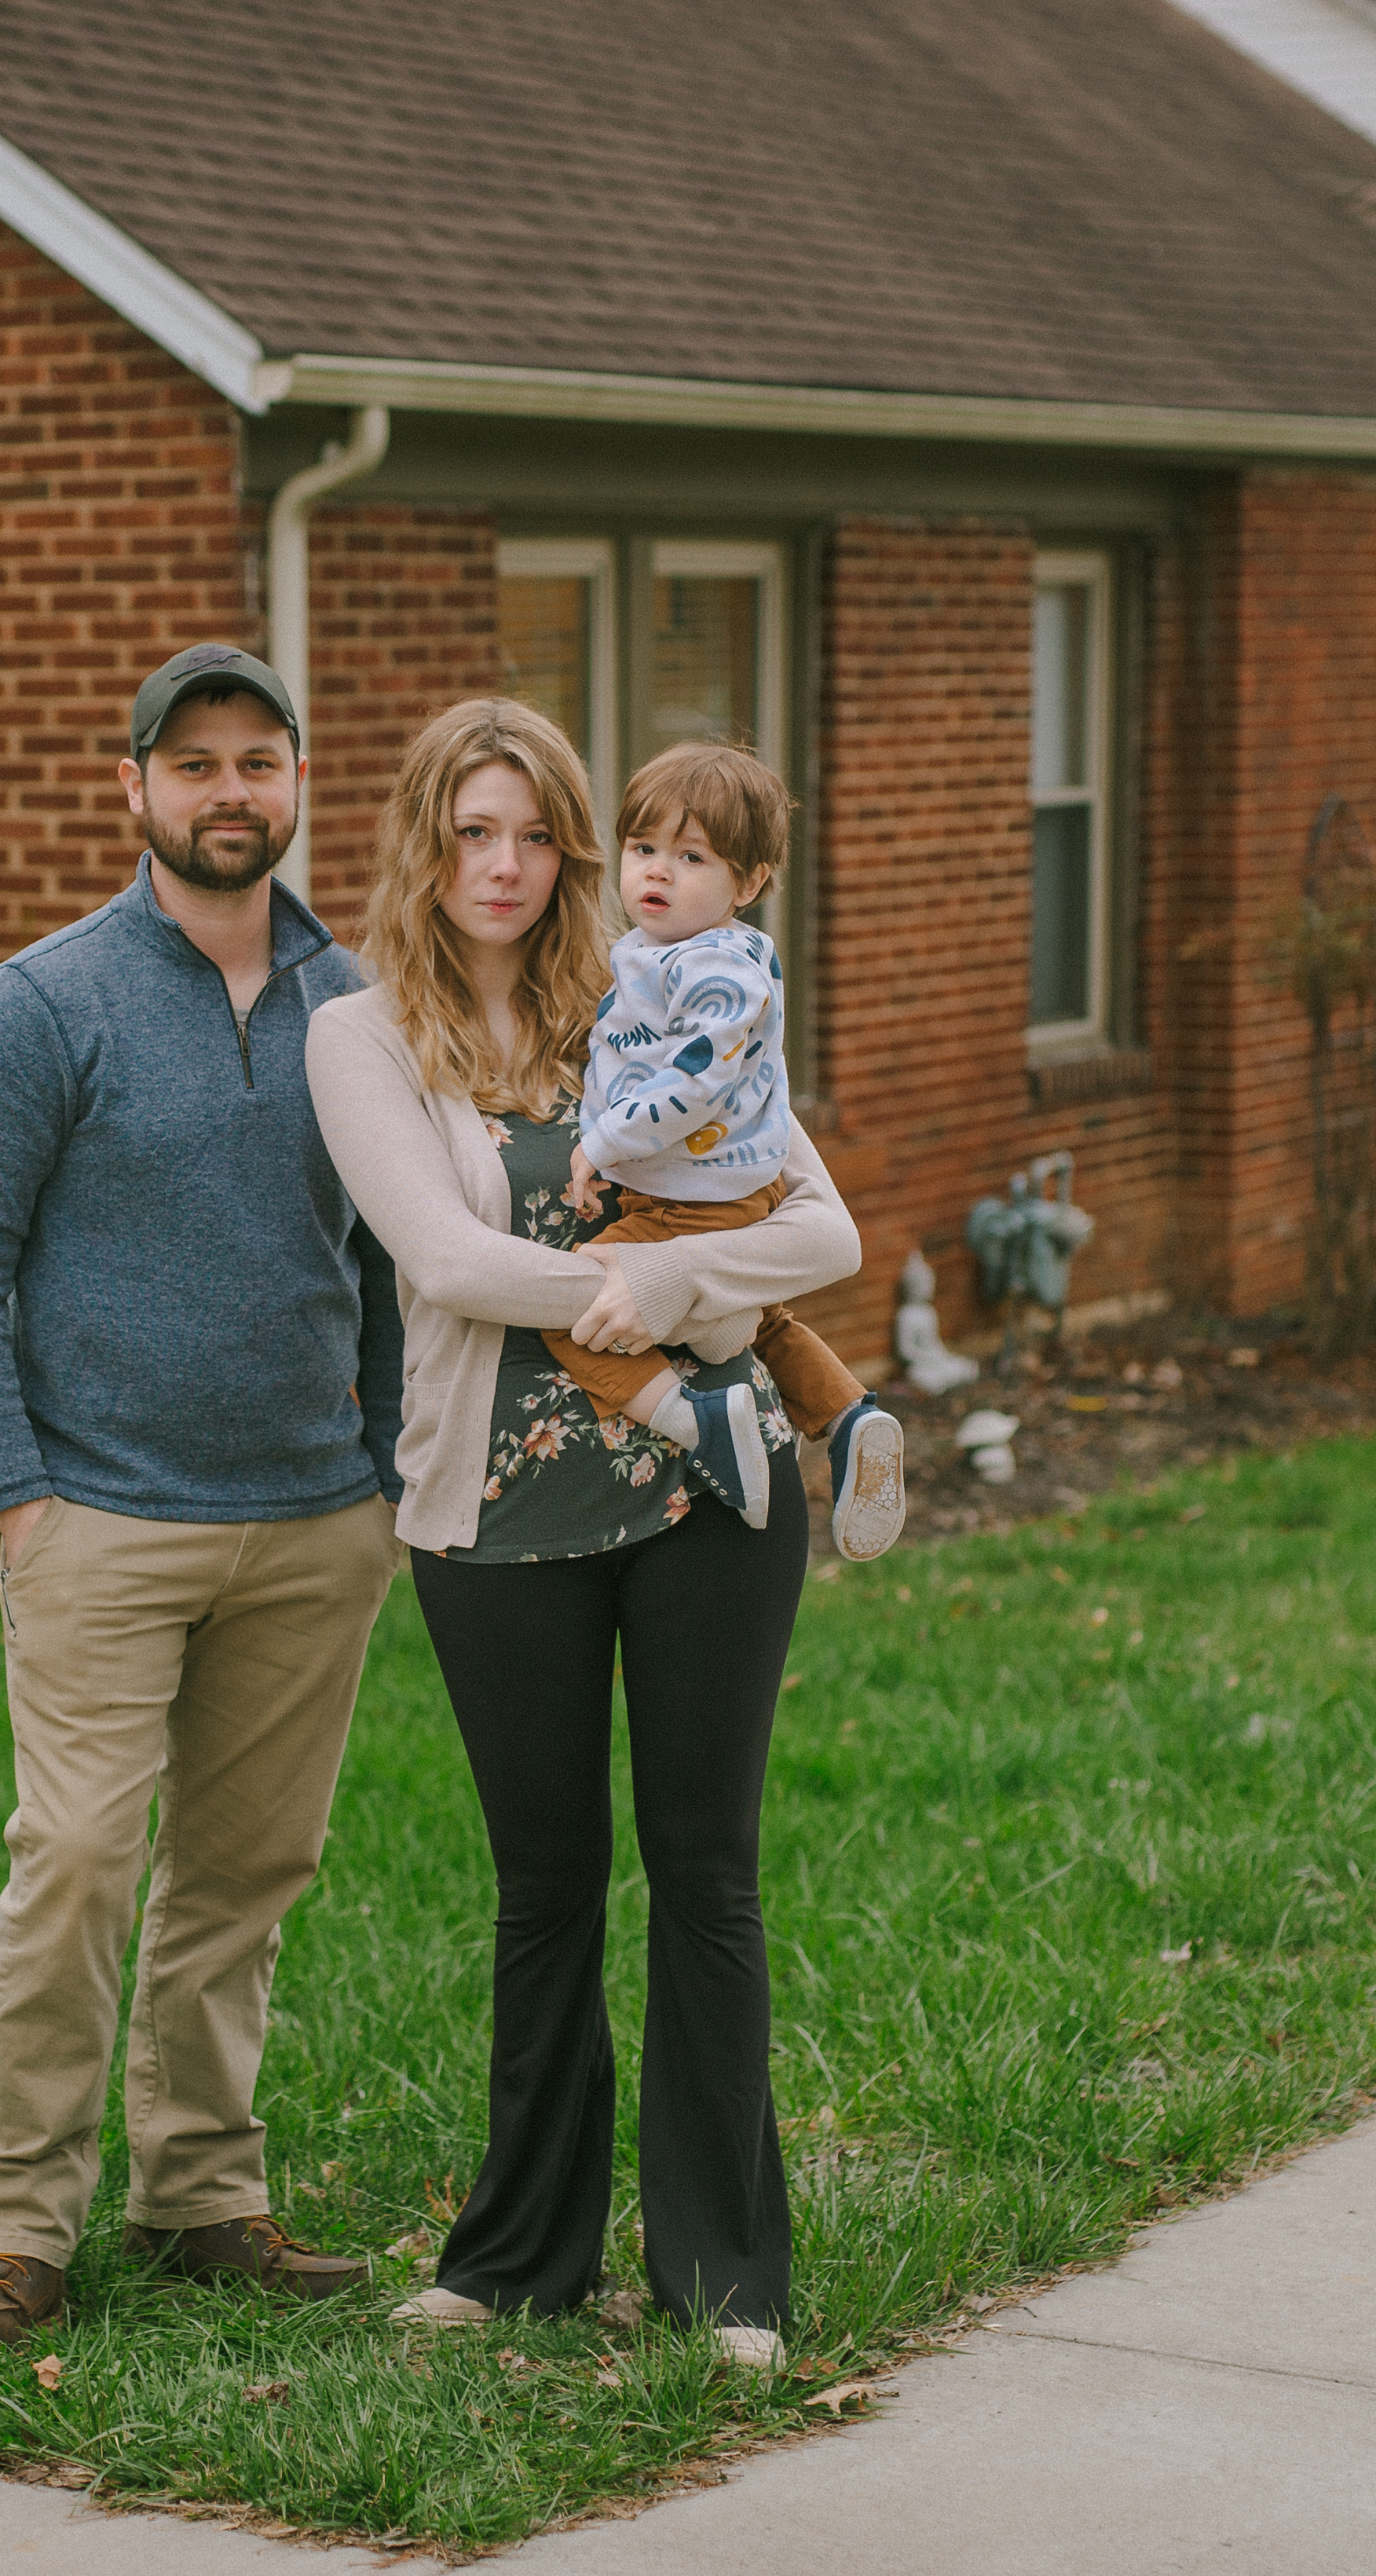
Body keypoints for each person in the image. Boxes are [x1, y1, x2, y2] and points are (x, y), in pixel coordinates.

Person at [306, 697, 860, 2369]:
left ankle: (725, 2277)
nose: (503, 863)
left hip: (711, 1492)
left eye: (534, 832)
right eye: (470, 830)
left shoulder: (657, 992)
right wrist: (672, 1288)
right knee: (544, 1884)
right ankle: (517, 2258)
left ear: (573, 850)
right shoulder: (363, 1031)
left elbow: (819, 1224)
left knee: (704, 1872)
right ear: (426, 839)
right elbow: (447, 1265)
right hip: (492, 1502)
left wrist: (689, 1279)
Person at [0, 643, 406, 2355]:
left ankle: (201, 2194)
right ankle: (14, 2230)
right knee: (78, 1863)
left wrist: (396, 1471)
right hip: (101, 1515)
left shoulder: (366, 1000)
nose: (228, 792)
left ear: (294, 785)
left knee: (246, 1873)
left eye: (259, 760)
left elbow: (408, 1256)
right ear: (132, 788)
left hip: (316, 1512)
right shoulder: (42, 1002)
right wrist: (14, 1496)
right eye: (192, 763)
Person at [546, 739, 901, 1560]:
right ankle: (847, 1417)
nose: (656, 872)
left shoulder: (719, 967)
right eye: (642, 849)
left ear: (747, 885)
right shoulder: (653, 953)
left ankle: (691, 1419)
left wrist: (600, 1142)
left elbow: (694, 1078)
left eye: (690, 856)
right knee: (754, 1320)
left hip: (693, 1199)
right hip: (698, 1193)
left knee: (573, 1314)